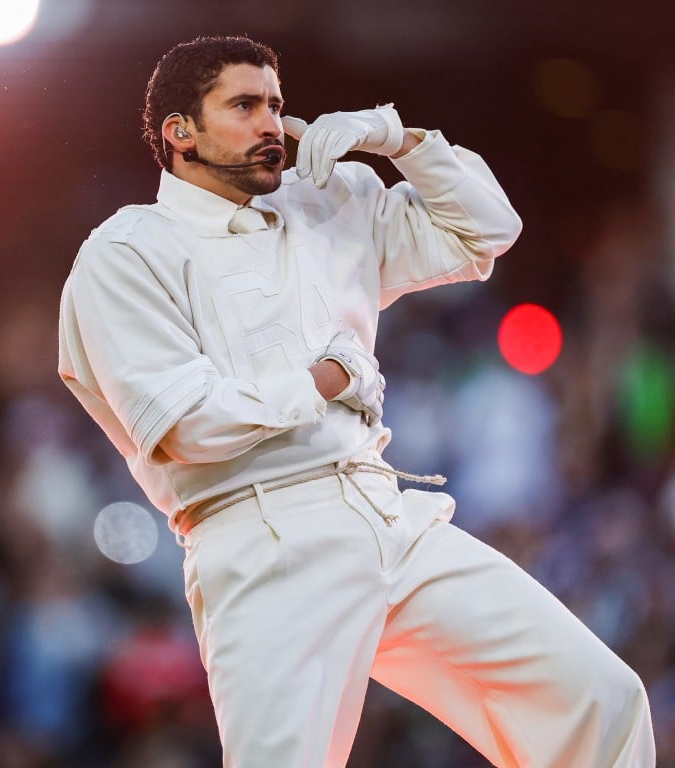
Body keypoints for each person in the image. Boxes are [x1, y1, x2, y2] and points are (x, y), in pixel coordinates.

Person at [58, 34, 656, 768]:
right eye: (244, 105)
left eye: (275, 104)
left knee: (601, 700)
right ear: (179, 132)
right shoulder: (128, 249)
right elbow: (185, 424)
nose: (271, 124)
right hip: (261, 534)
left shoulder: (328, 205)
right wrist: (325, 380)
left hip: (386, 510)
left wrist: (398, 138)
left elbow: (487, 230)